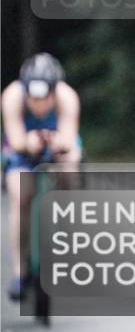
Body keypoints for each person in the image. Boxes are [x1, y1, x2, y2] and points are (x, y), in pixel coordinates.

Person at [1, 53, 82, 301]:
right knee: (20, 195)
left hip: (58, 145)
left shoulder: (67, 97)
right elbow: (15, 140)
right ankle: (20, 272)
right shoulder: (12, 96)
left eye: (44, 97)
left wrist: (55, 143)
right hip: (22, 148)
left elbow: (68, 138)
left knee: (70, 167)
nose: (39, 104)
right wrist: (29, 143)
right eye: (33, 97)